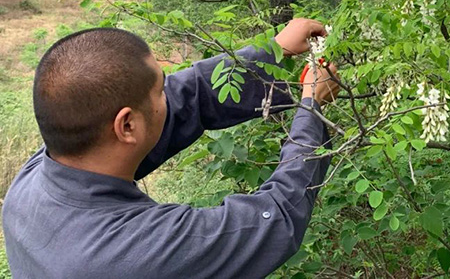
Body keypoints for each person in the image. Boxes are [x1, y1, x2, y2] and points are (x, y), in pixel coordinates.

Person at [2, 18, 339, 279]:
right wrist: (311, 107)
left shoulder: (32, 181)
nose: (170, 94)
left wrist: (273, 52)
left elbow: (187, 95)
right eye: (161, 89)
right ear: (127, 126)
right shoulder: (135, 252)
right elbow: (275, 217)